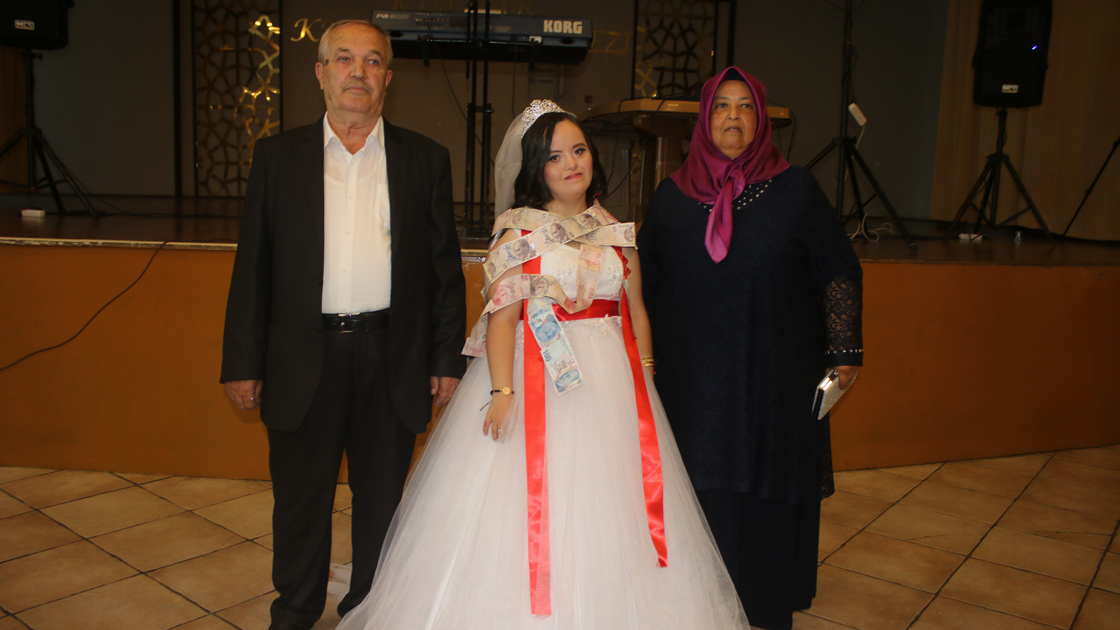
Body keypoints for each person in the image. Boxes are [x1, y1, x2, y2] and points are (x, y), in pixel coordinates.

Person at [336, 101, 749, 629]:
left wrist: (645, 373)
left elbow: (636, 309)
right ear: (536, 167)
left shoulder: (615, 231)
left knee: (611, 506)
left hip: (613, 386)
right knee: (528, 503)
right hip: (536, 382)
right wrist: (502, 393)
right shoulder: (518, 233)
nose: (571, 163)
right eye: (555, 157)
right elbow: (503, 319)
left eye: (579, 150)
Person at [220, 19, 466, 630]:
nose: (359, 72)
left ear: (388, 78)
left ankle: (369, 612)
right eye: (345, 59)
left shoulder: (425, 160)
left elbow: (443, 271)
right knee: (300, 500)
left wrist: (445, 358)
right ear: (321, 73)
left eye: (373, 61)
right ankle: (295, 612)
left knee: (382, 502)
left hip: (392, 356)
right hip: (302, 358)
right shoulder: (277, 158)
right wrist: (242, 362)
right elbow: (252, 267)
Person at [637, 66, 863, 630]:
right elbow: (643, 283)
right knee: (700, 478)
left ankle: (763, 599)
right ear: (704, 119)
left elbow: (839, 268)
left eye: (745, 106)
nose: (733, 116)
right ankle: (698, 600)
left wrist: (844, 349)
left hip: (775, 372)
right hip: (693, 378)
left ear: (761, 120)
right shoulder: (670, 196)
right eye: (721, 106)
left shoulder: (796, 189)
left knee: (769, 472)